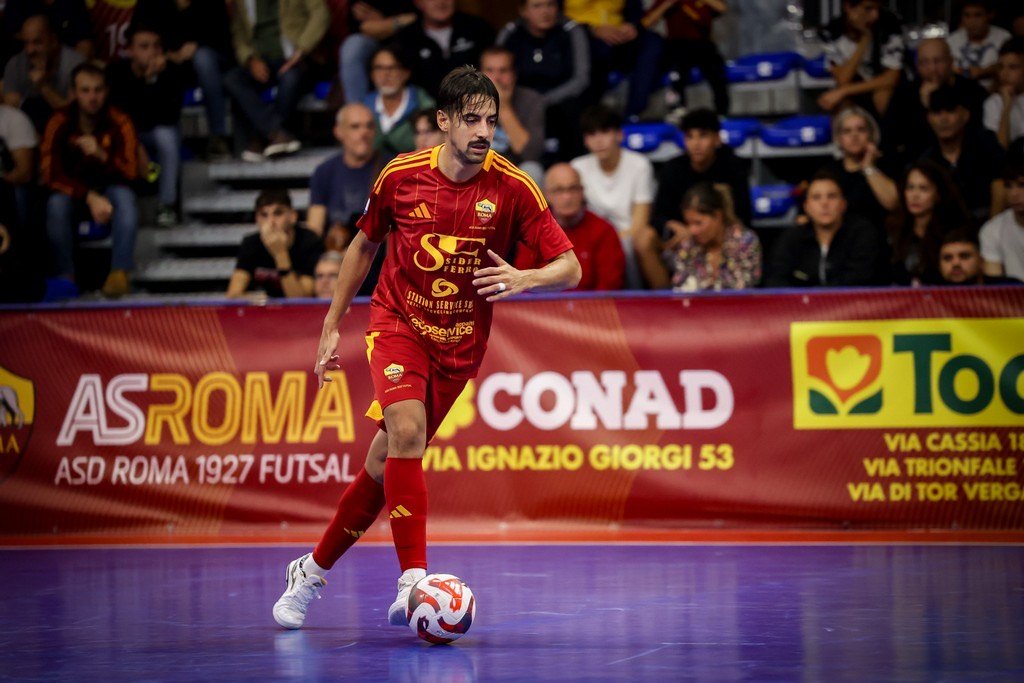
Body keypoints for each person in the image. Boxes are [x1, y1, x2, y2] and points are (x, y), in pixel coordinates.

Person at [271, 65, 580, 632]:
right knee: (408, 431)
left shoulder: (513, 186)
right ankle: (413, 579)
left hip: (459, 344)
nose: (483, 131)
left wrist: (525, 278)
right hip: (399, 322)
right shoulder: (401, 175)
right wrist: (332, 324)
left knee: (383, 462)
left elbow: (571, 267)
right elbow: (364, 245)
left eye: (490, 120)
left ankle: (310, 570)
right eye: (471, 119)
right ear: (443, 121)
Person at [40, 62, 139, 298]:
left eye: (98, 90)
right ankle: (65, 278)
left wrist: (102, 155)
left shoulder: (120, 120)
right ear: (73, 93)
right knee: (55, 204)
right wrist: (88, 196)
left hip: (110, 190)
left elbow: (131, 172)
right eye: (85, 90)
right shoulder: (59, 121)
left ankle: (119, 273)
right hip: (74, 193)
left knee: (125, 198)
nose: (92, 97)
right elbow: (50, 175)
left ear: (106, 91)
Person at [223, 0, 329, 161]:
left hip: (296, 58)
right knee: (232, 79)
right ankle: (275, 133)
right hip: (260, 61)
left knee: (291, 78)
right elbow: (238, 33)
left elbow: (321, 15)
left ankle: (261, 138)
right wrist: (250, 60)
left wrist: (302, 49)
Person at [129, 0, 235, 160]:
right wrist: (164, 54)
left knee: (203, 59)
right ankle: (140, 133)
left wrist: (198, 44)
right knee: (149, 61)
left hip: (205, 64)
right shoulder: (150, 4)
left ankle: (218, 137)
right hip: (165, 61)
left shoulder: (211, 3)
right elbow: (137, 34)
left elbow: (224, 39)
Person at [106, 23, 186, 227]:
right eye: (144, 46)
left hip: (155, 132)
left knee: (166, 136)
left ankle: (167, 204)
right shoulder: (116, 72)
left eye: (156, 46)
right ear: (129, 50)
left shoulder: (171, 71)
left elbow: (169, 116)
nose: (152, 52)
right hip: (125, 133)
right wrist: (136, 142)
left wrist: (151, 80)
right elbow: (120, 115)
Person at [571, 104, 654, 289]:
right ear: (585, 140)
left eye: (605, 132)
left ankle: (634, 298)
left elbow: (640, 223)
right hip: (590, 238)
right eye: (592, 134)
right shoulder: (577, 167)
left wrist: (610, 239)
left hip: (626, 236)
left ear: (619, 135)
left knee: (624, 244)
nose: (599, 140)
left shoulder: (640, 165)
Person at [496, 0, 590, 160]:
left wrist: (542, 101)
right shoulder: (511, 34)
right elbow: (496, 66)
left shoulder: (571, 30)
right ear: (523, 11)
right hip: (520, 101)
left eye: (550, 5)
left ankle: (570, 164)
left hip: (561, 101)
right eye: (537, 6)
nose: (545, 12)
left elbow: (581, 79)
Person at [765, 169, 887, 287]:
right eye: (816, 197)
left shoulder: (862, 234)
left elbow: (860, 279)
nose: (824, 203)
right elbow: (776, 280)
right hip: (802, 301)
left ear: (843, 204)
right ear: (806, 207)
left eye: (832, 196)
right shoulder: (792, 238)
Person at [514, 163, 624, 290]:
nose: (567, 197)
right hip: (543, 303)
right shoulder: (533, 231)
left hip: (590, 303)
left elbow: (609, 289)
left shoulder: (604, 231)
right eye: (559, 190)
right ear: (546, 195)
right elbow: (522, 284)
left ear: (582, 192)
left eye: (573, 189)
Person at [882, 37, 989, 167]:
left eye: (938, 61)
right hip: (918, 164)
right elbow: (891, 136)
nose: (932, 68)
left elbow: (978, 134)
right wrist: (924, 107)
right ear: (917, 66)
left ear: (950, 61)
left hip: (968, 161)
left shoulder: (972, 91)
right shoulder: (905, 94)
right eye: (925, 62)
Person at [635, 182, 760, 291]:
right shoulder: (688, 245)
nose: (692, 230)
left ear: (718, 216)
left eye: (698, 223)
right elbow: (682, 288)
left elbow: (743, 288)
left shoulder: (744, 242)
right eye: (688, 223)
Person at [651, 108, 750, 235]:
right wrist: (674, 226)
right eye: (690, 137)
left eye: (703, 135)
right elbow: (659, 216)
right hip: (683, 235)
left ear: (717, 139)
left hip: (722, 234)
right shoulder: (672, 169)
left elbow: (743, 214)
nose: (696, 144)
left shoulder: (734, 167)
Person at [564, 0, 662, 119]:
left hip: (618, 34)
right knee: (599, 50)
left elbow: (636, 11)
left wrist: (631, 25)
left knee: (652, 43)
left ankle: (634, 113)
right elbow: (555, 16)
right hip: (578, 34)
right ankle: (588, 116)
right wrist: (592, 30)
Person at [922, 84, 1005, 220]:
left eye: (950, 111)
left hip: (989, 222)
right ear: (929, 118)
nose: (943, 119)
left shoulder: (986, 144)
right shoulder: (927, 161)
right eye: (937, 113)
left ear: (965, 115)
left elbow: (1002, 184)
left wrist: (991, 228)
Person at [886, 159, 973, 286]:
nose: (915, 195)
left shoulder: (955, 231)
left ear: (938, 194)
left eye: (923, 189)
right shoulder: (894, 228)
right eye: (910, 188)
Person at [226, 189, 323, 298]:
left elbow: (300, 299)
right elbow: (233, 295)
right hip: (263, 306)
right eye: (264, 215)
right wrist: (256, 300)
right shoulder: (251, 243)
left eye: (278, 213)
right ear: (257, 219)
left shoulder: (310, 242)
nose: (271, 221)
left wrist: (280, 253)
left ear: (293, 216)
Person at [307, 103, 381, 248]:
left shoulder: (390, 168)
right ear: (338, 132)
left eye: (369, 126)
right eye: (355, 127)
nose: (364, 133)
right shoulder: (324, 171)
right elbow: (315, 229)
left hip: (376, 252)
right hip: (335, 251)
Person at [391, 0, 494, 98]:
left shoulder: (479, 28)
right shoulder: (405, 39)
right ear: (418, 2)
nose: (440, 2)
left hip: (477, 101)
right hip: (424, 106)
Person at [817, 0, 904, 117]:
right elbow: (842, 79)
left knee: (883, 93)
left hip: (885, 86)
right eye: (868, 9)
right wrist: (865, 39)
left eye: (877, 9)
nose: (875, 15)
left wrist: (844, 91)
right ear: (849, 7)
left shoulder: (890, 25)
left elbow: (891, 78)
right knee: (839, 102)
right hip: (855, 86)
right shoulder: (831, 32)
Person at [2, 14, 86, 134]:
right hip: (26, 132)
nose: (30, 50)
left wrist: (43, 86)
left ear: (53, 41)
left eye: (37, 42)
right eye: (26, 43)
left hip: (65, 132)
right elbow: (10, 111)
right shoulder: (15, 64)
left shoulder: (75, 65)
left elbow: (74, 114)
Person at [649, 0, 729, 116]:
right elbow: (648, 21)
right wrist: (668, 4)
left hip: (703, 44)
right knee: (676, 73)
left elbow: (722, 8)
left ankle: (721, 112)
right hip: (676, 44)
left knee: (716, 71)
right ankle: (677, 110)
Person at [822, 106, 897, 229]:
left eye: (861, 129)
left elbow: (893, 203)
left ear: (871, 134)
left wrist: (868, 167)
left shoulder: (887, 165)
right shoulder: (829, 172)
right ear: (839, 138)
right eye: (847, 131)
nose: (854, 136)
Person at [479, 46, 545, 182]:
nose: (496, 78)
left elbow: (531, 154)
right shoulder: (466, 100)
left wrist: (503, 107)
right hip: (477, 168)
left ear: (514, 74)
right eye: (490, 70)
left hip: (516, 170)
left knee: (533, 169)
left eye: (503, 71)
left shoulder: (531, 99)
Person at [338, 1, 417, 104]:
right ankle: (357, 109)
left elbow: (416, 18)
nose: (386, 74)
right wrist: (398, 21)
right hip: (372, 42)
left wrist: (383, 23)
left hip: (413, 36)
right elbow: (366, 27)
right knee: (353, 46)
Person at [363, 45, 434, 159]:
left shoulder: (424, 105)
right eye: (379, 68)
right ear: (372, 74)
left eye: (392, 67)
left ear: (406, 73)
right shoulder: (363, 108)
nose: (385, 74)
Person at [1, 0, 95, 61]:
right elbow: (11, 33)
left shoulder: (74, 3)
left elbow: (85, 43)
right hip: (22, 64)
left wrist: (70, 68)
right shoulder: (18, 3)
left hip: (63, 66)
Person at [947, 0, 1010, 88]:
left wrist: (984, 72)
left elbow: (1012, 66)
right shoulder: (951, 40)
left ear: (989, 15)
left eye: (978, 15)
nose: (972, 21)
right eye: (967, 15)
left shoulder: (1004, 38)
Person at [980, 158, 1024, 280]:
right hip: (1012, 292)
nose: (1014, 193)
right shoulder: (991, 230)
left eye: (1022, 185)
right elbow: (994, 282)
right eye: (1008, 186)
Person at [940, 228, 1020, 285]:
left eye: (964, 256)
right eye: (948, 258)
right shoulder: (933, 295)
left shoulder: (1011, 288)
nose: (955, 263)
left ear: (981, 261)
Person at [983, 37, 1024, 148]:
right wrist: (1006, 107)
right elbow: (999, 150)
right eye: (1001, 67)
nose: (1004, 74)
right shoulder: (993, 103)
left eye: (1013, 67)